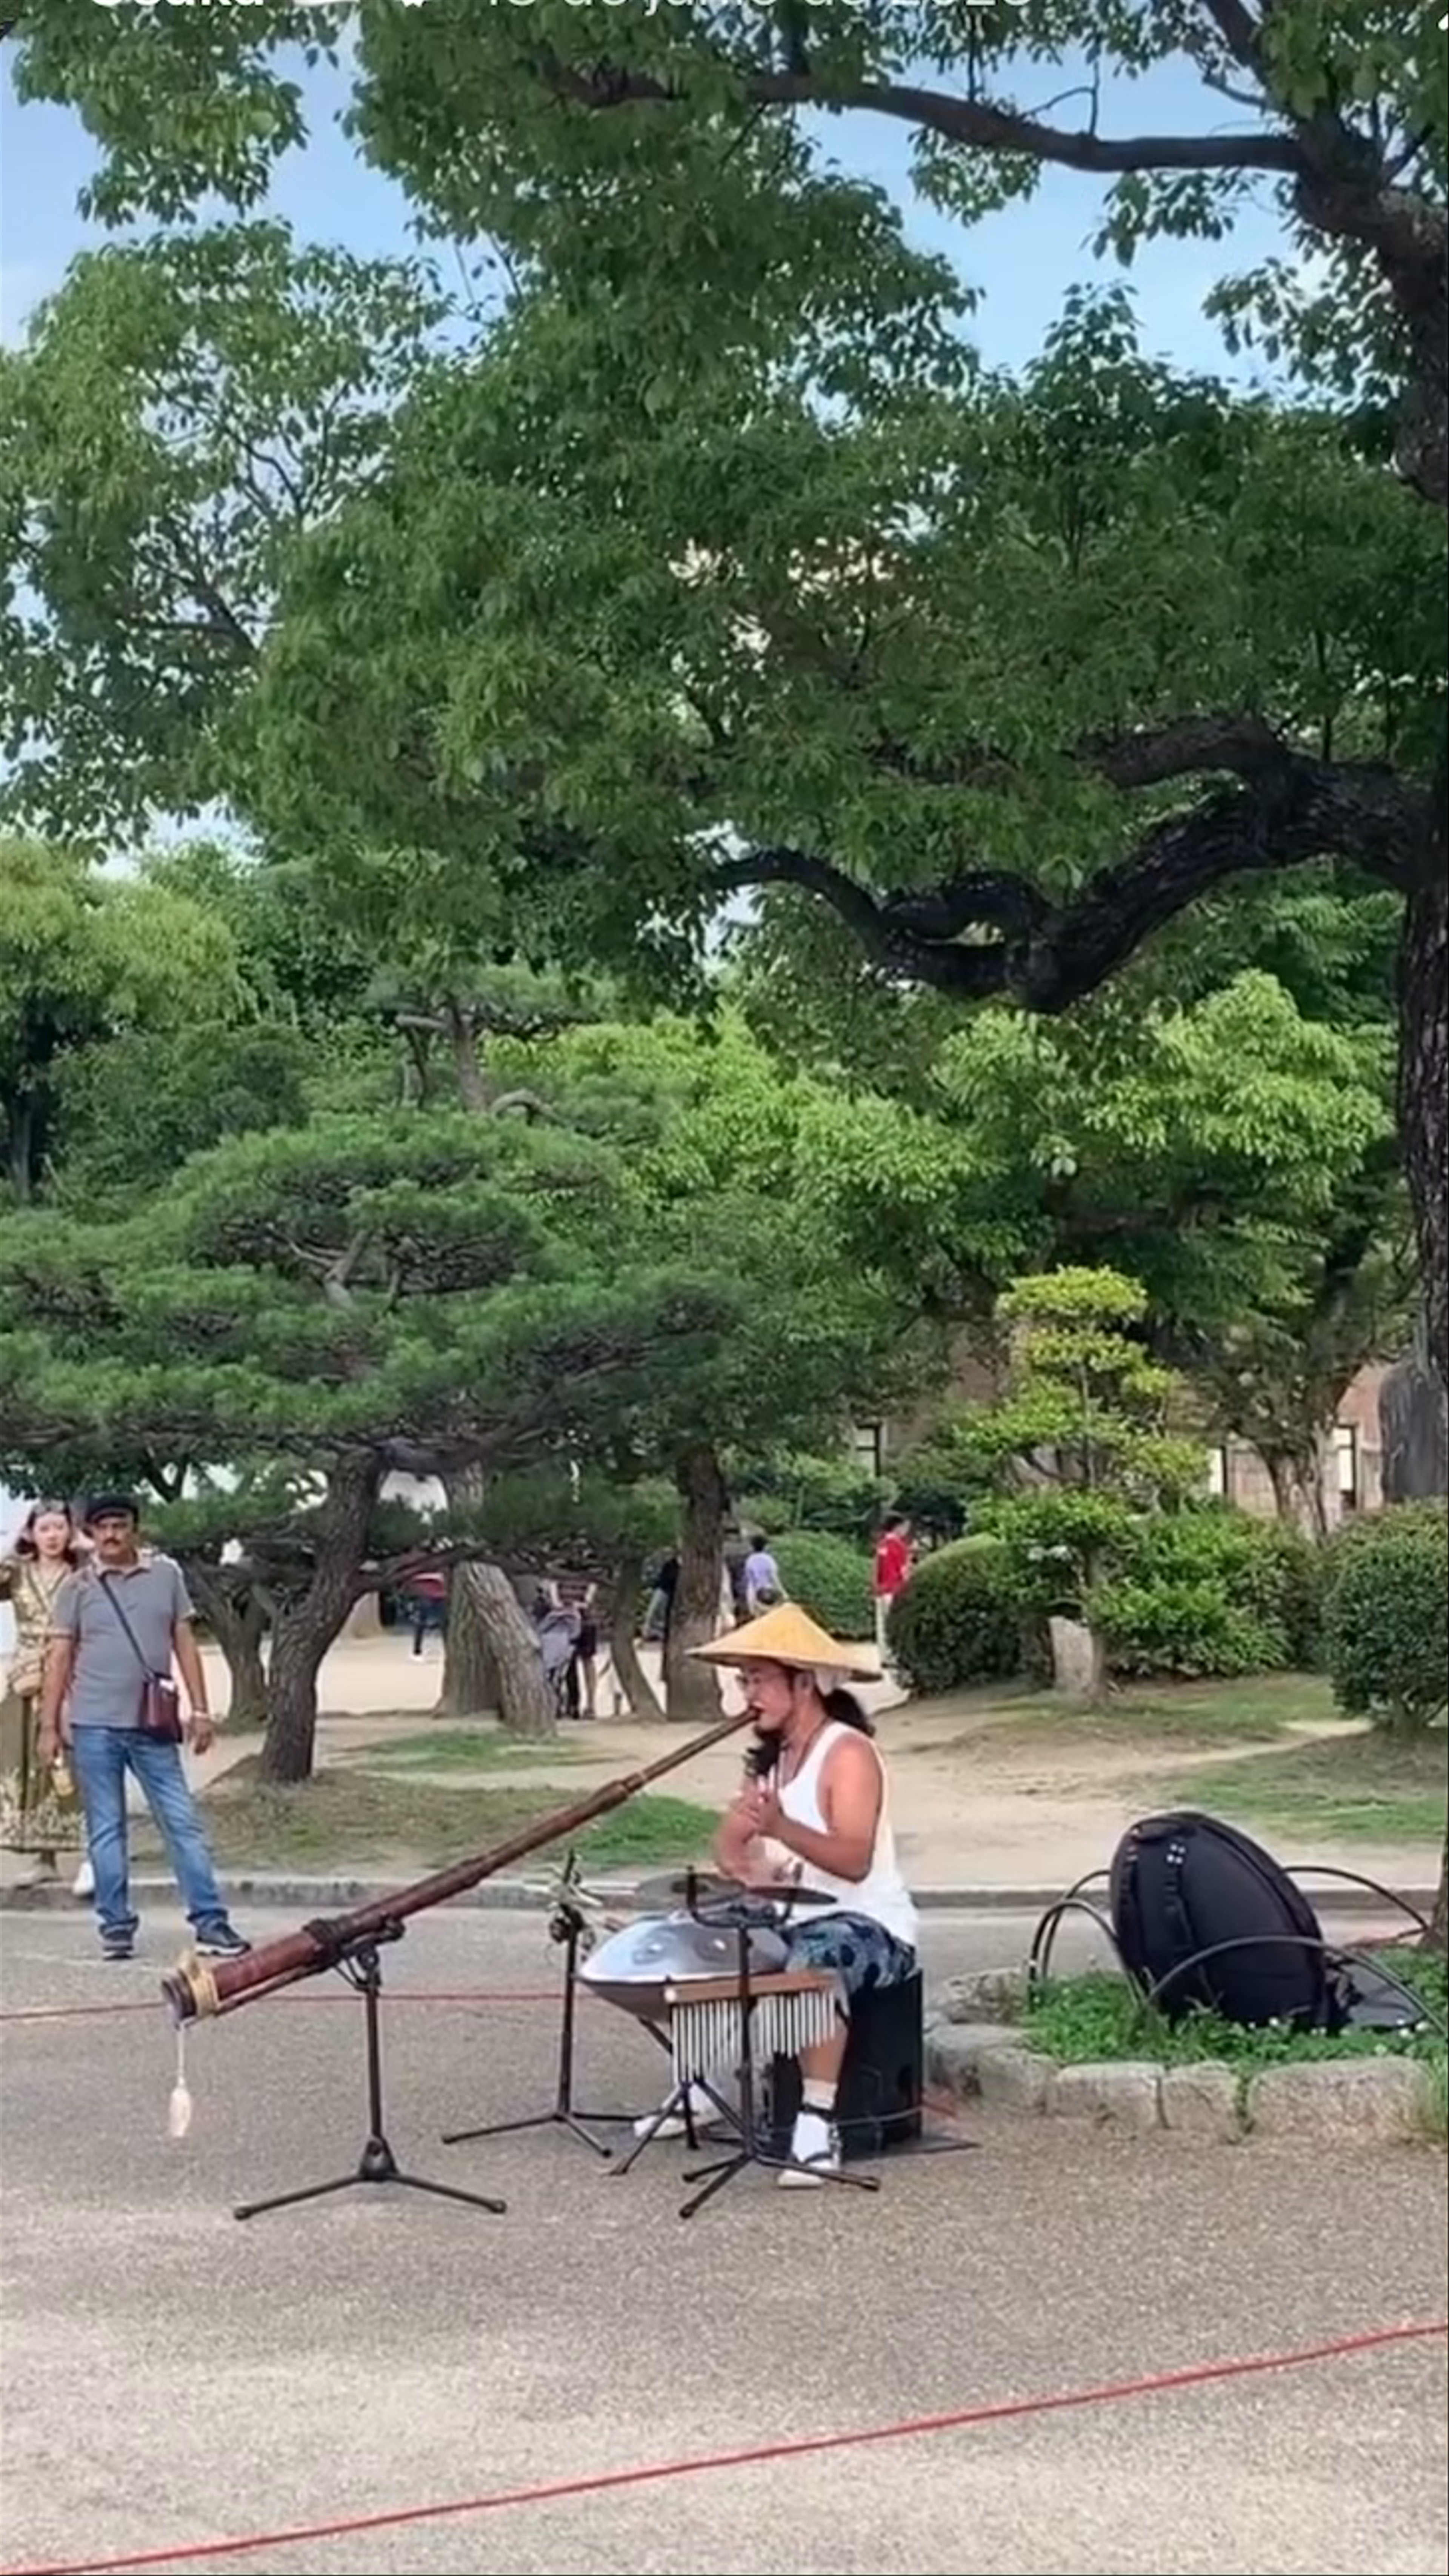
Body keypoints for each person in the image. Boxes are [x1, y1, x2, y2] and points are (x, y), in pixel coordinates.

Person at [640, 1603, 916, 2187]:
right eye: (743, 1680)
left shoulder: (848, 1752)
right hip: (793, 1917)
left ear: (803, 1681)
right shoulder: (769, 1759)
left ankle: (816, 2125)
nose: (749, 1694)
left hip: (868, 1924)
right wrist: (749, 1874)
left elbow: (854, 1858)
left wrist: (783, 1831)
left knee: (817, 1959)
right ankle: (700, 2084)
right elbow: (730, 1848)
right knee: (690, 1938)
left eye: (759, 1679)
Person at [36, 1493, 250, 1965]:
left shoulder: (166, 1576)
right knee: (107, 1830)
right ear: (89, 1534)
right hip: (94, 1725)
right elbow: (58, 1660)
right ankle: (116, 1928)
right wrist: (49, 1725)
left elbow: (185, 1643)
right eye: (103, 1527)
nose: (112, 1534)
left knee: (183, 1824)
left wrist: (201, 1710)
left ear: (135, 1528)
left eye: (121, 1525)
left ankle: (211, 1922)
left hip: (153, 1724)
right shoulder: (77, 1589)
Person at [0, 1501, 91, 1895]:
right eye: (44, 1528)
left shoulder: (83, 1574)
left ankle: (92, 1851)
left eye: (60, 1528)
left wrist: (86, 1546)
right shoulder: (17, 1574)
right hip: (26, 1679)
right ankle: (44, 1859)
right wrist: (13, 1544)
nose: (53, 1536)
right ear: (32, 1533)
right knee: (30, 1767)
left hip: (74, 1675)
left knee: (77, 1765)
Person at [872, 1515, 913, 1668]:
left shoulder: (881, 1545)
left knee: (882, 1625)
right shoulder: (900, 1546)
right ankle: (895, 1657)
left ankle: (885, 1657)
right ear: (898, 1527)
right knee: (895, 1624)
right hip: (895, 1590)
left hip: (881, 1590)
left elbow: (877, 1569)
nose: (906, 1531)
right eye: (905, 1527)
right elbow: (904, 1571)